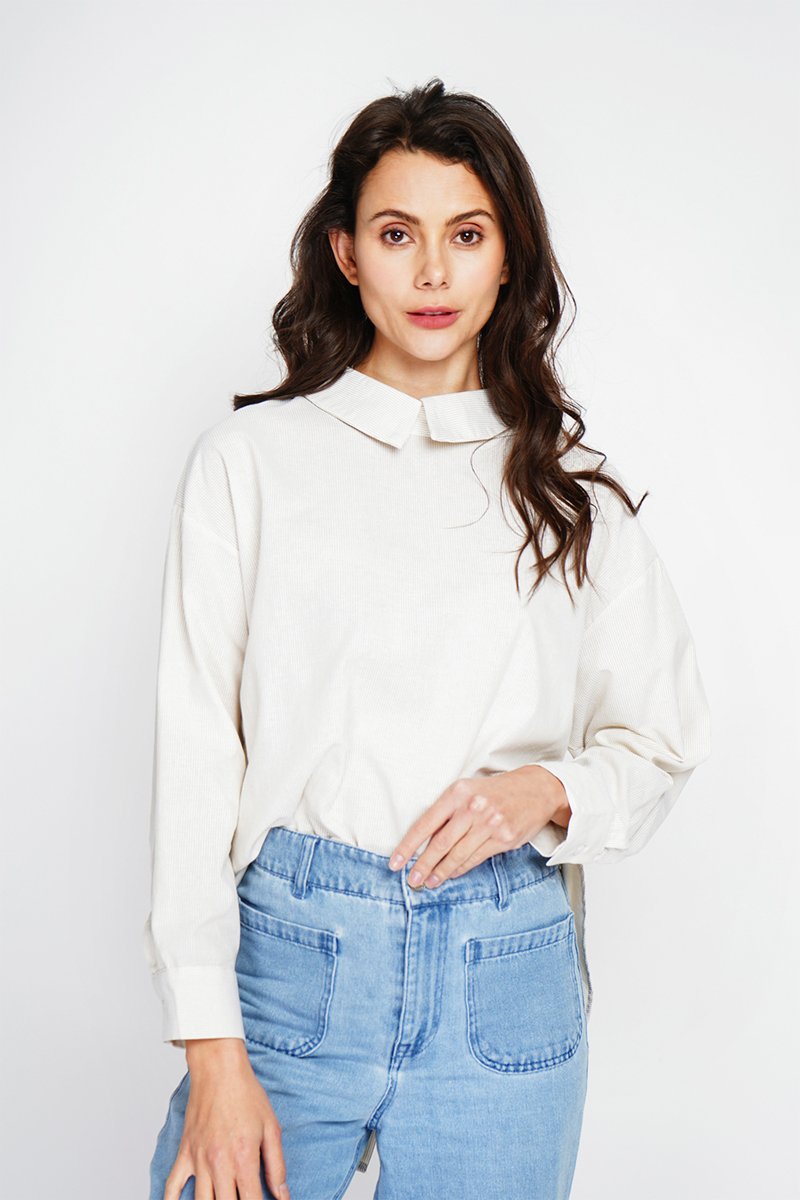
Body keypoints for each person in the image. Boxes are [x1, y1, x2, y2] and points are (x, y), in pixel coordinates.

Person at [145, 78, 712, 1200]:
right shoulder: (251, 465)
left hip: (502, 964)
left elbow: (662, 740)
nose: (434, 274)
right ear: (347, 253)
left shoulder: (568, 494)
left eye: (467, 235)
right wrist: (210, 1049)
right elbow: (197, 753)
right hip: (292, 964)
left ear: (508, 259)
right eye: (399, 234)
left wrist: (543, 789)